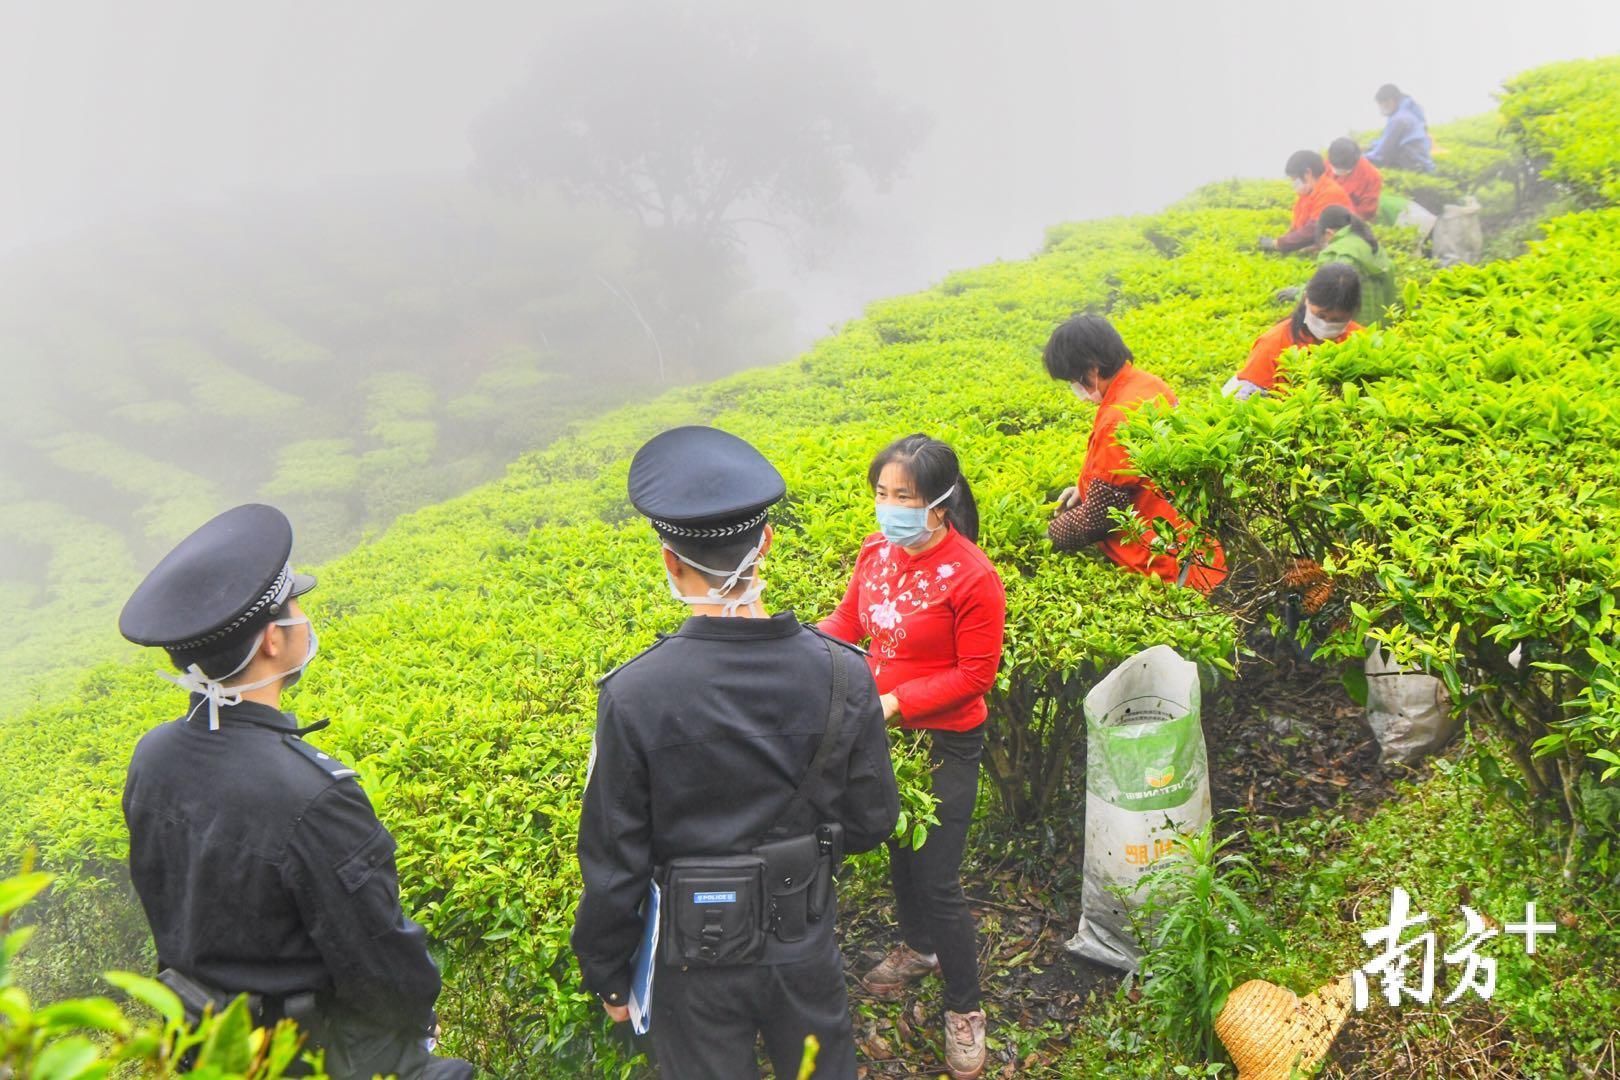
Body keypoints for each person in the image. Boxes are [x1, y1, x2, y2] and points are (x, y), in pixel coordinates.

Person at [571, 425, 900, 1080]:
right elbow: (872, 822)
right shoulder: (843, 673)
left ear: (670, 561)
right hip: (802, 940)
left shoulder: (634, 695)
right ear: (767, 544)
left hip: (692, 965)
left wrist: (609, 977)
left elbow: (614, 861)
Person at [119, 504, 472, 1080]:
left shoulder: (153, 754)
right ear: (272, 643)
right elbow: (383, 967)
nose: (305, 616)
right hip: (306, 1057)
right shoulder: (312, 795)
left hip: (202, 1045)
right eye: (296, 606)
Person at [818, 434, 1007, 1080]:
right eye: (881, 494)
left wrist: (897, 701)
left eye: (903, 496)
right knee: (897, 842)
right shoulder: (877, 552)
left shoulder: (974, 576)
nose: (889, 508)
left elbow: (976, 675)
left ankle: (966, 1011)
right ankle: (918, 949)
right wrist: (792, 655)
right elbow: (849, 624)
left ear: (941, 502)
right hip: (885, 732)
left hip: (945, 738)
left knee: (938, 876)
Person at [1042, 316, 1227, 594]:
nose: (1075, 389)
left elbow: (1100, 517)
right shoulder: (1148, 384)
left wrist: (1053, 533)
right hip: (1195, 539)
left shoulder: (1118, 416)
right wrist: (1083, 489)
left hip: (1165, 557)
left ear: (1091, 369)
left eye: (1072, 380)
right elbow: (1124, 475)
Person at [1225, 263, 1363, 399]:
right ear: (1306, 299)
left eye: (1336, 320)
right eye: (1321, 315)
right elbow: (1248, 397)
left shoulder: (1361, 339)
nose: (1326, 323)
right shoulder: (1274, 343)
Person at [1313, 205, 1396, 326]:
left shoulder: (1339, 253)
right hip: (1380, 329)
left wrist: (1298, 294)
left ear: (1328, 232)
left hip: (1352, 330)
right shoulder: (1370, 244)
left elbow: (1326, 293)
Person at [1260, 150, 1352, 254]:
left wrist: (1277, 244)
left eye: (1295, 179)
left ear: (1308, 173)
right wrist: (1283, 239)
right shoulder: (1308, 193)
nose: (1294, 184)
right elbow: (1299, 226)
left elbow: (1313, 229)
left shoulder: (1330, 193)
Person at [1366, 83, 1435, 173]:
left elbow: (1382, 155)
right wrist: (1370, 147)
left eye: (1381, 105)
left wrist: (1358, 159)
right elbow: (1386, 142)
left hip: (1411, 166)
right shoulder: (1410, 111)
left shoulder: (1399, 120)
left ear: (1390, 101)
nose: (1381, 109)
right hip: (1423, 164)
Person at [1327, 137, 1383, 221]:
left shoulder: (1371, 176)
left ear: (1356, 161)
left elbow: (1366, 212)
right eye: (1335, 167)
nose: (1338, 171)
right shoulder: (1327, 164)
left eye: (1343, 169)